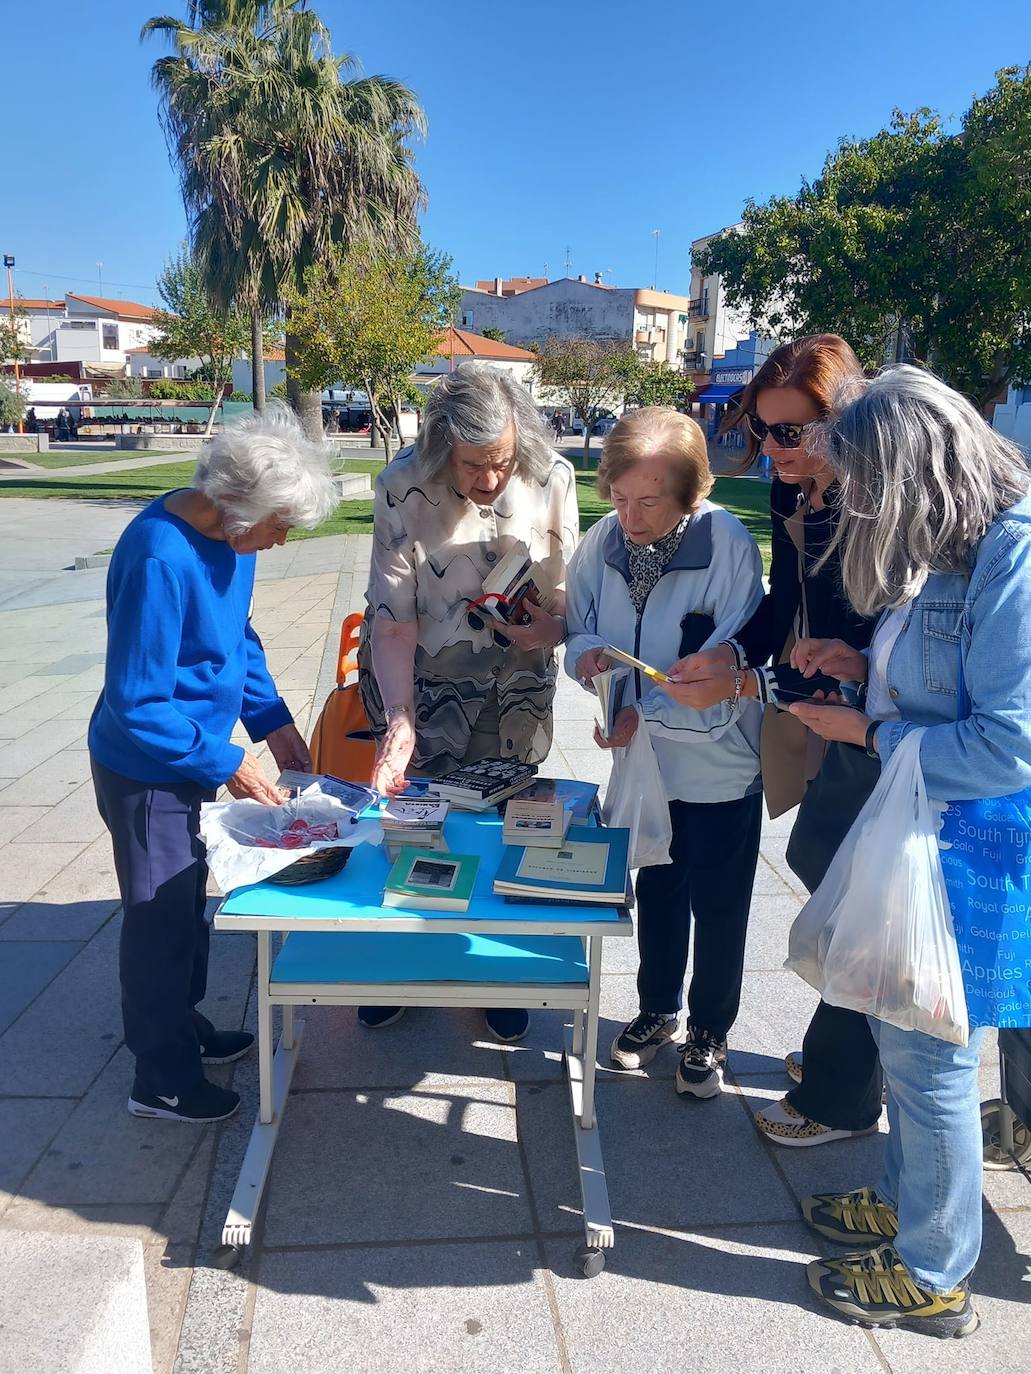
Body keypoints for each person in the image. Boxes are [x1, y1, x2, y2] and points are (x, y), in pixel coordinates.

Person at [776, 365, 1031, 1336]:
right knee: (904, 1033)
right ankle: (911, 1201)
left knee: (928, 1058)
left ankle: (933, 1270)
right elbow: (940, 685)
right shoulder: (957, 553)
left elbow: (1007, 744)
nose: (861, 510)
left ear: (916, 475)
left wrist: (868, 738)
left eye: (869, 490)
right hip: (926, 839)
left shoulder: (1010, 558)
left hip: (976, 852)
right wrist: (856, 670)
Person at [89, 407, 337, 1124]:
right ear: (235, 502)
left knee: (190, 903)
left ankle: (181, 1023)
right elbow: (137, 701)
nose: (282, 539)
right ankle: (159, 1077)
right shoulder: (158, 554)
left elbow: (237, 641)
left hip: (190, 756)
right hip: (146, 767)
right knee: (157, 916)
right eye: (279, 523)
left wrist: (274, 724)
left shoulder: (231, 538)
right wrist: (228, 760)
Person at [664, 335, 883, 1146]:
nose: (773, 451)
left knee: (857, 903)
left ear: (845, 422)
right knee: (838, 888)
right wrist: (729, 652)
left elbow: (873, 641)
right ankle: (847, 1061)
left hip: (878, 726)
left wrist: (749, 683)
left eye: (792, 432)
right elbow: (779, 605)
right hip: (832, 715)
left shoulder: (873, 504)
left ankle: (840, 1095)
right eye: (763, 430)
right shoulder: (801, 497)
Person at [358, 362, 579, 1042]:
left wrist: (552, 627)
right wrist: (399, 716)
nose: (488, 480)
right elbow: (392, 620)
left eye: (501, 463)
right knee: (415, 826)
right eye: (471, 464)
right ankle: (401, 963)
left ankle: (498, 971)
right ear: (439, 444)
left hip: (516, 686)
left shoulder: (551, 477)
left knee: (505, 825)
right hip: (421, 680)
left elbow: (570, 596)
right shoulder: (402, 485)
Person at [564, 407, 765, 1096]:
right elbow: (578, 630)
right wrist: (585, 663)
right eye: (619, 498)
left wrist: (643, 709)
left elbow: (735, 658)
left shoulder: (728, 541)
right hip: (643, 765)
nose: (631, 517)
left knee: (719, 904)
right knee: (656, 887)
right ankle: (657, 1009)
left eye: (648, 501)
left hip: (720, 767)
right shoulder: (599, 543)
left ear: (691, 494)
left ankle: (710, 1027)